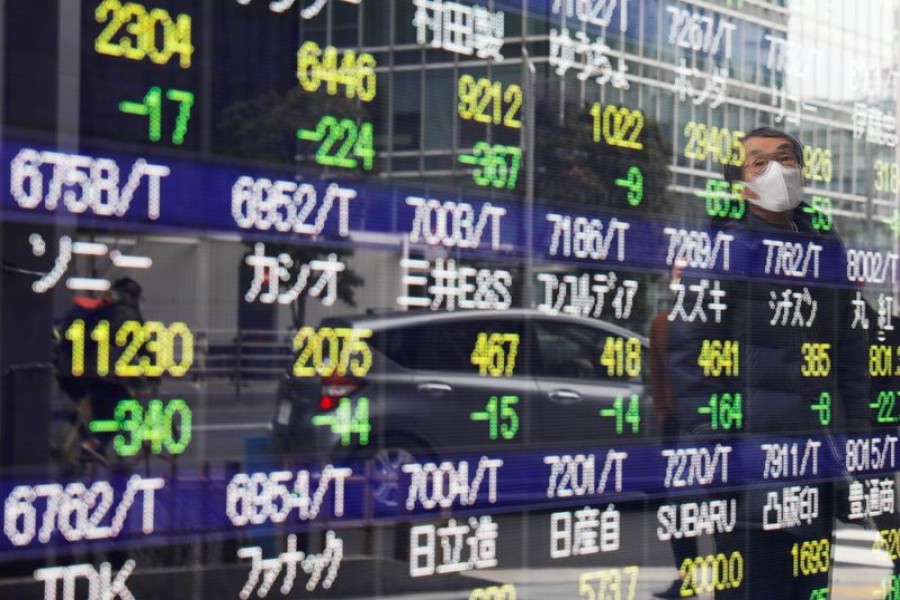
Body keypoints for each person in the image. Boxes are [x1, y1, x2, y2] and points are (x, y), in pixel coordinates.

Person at [665, 127, 870, 598]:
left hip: (817, 466)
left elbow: (852, 359)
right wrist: (715, 453)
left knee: (810, 585)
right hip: (749, 471)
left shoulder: (825, 249)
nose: (777, 170)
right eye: (758, 163)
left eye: (786, 158)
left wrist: (859, 443)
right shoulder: (720, 250)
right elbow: (691, 358)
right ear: (740, 182)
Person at [54, 277, 147, 458]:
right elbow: (144, 347)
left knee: (98, 409)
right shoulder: (128, 315)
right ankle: (94, 444)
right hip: (101, 374)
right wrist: (152, 372)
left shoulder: (96, 312)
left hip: (71, 371)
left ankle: (86, 441)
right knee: (120, 413)